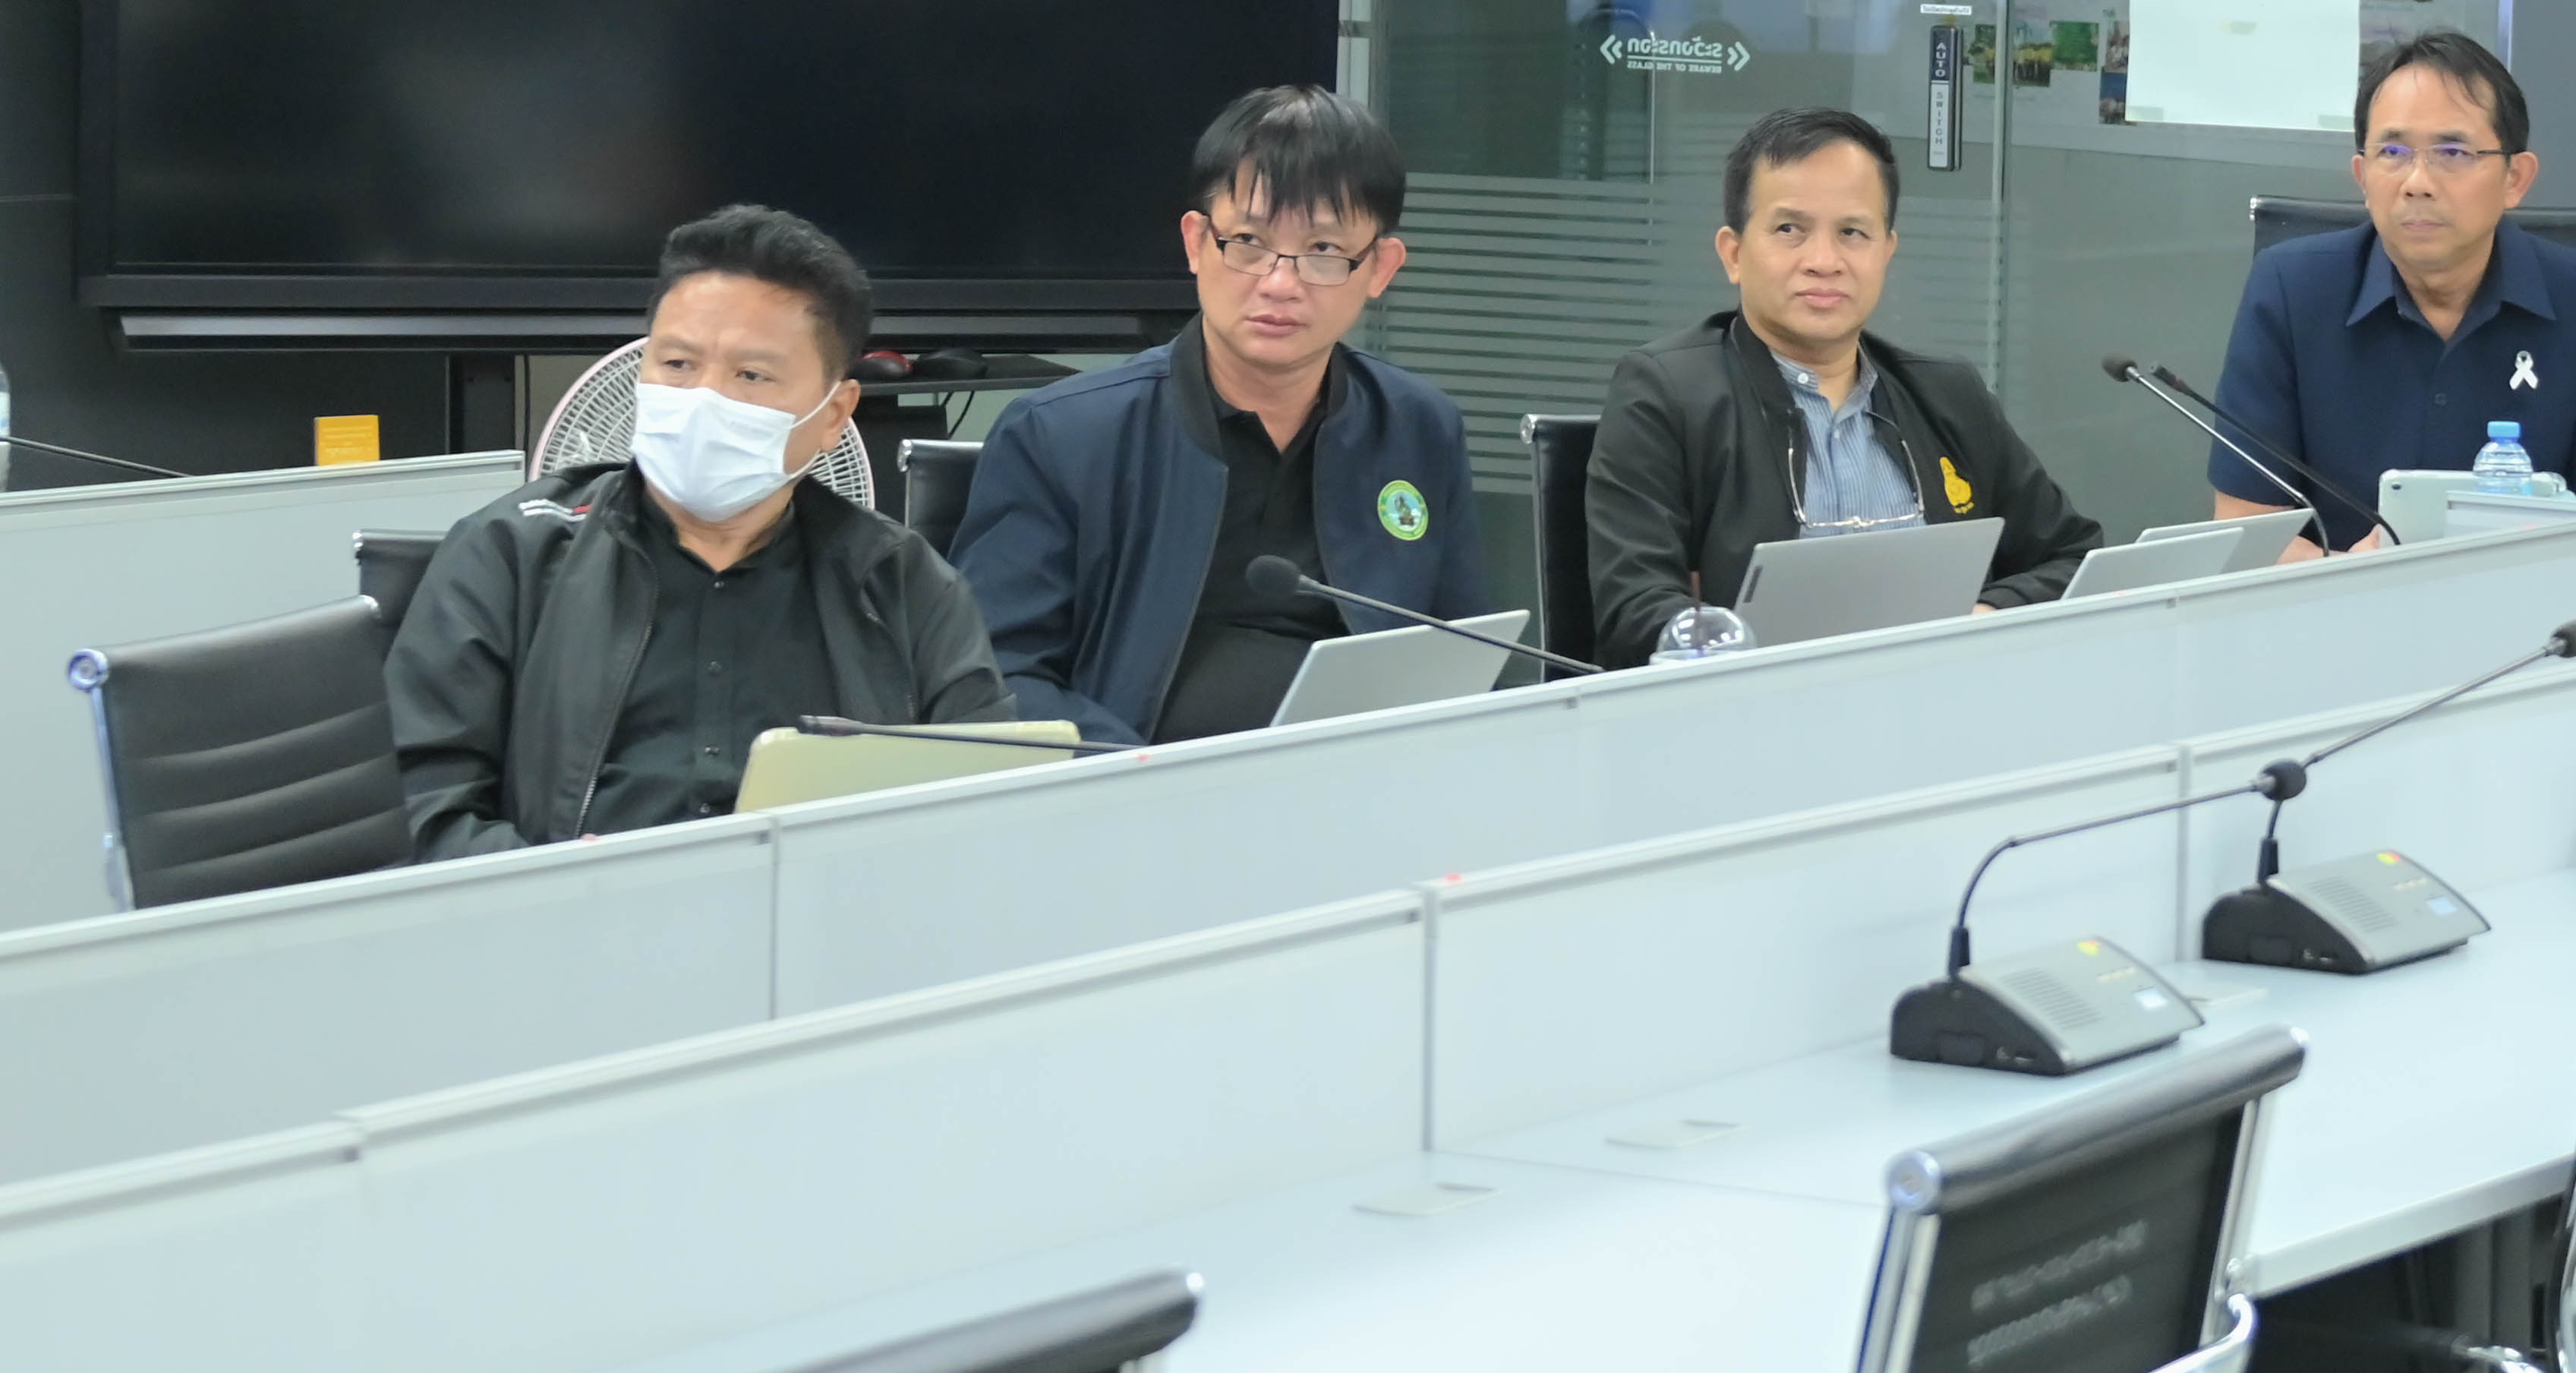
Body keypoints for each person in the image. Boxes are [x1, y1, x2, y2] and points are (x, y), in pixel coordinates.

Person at [389, 205, 1010, 854]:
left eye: (751, 375)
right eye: (678, 364)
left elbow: (992, 814)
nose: (702, 399)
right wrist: (565, 887)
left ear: (834, 414)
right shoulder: (509, 554)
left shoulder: (905, 586)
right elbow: (419, 814)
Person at [956, 87, 1487, 743]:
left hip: (1360, 783)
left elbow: (1467, 658)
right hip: (1132, 787)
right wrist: (1149, 777)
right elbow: (996, 677)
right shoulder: (1061, 435)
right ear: (1196, 243)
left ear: (1380, 268)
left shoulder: (1418, 428)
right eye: (1249, 242)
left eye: (1324, 250)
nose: (1280, 283)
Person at [1583, 106, 2103, 667]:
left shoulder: (1948, 394)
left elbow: (2073, 558)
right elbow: (1635, 615)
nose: (1824, 261)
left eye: (1852, 232)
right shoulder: (1667, 394)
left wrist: (1980, 615)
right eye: (1790, 229)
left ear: (1886, 252)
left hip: (1940, 695)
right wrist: (1722, 640)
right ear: (1733, 254)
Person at [2206, 31, 2576, 551]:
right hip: (2335, 596)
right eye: (2393, 152)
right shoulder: (2289, 290)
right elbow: (2245, 529)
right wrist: (2353, 575)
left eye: (2452, 152)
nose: (2417, 181)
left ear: (2515, 178)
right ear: (2362, 176)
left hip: (2526, 596)